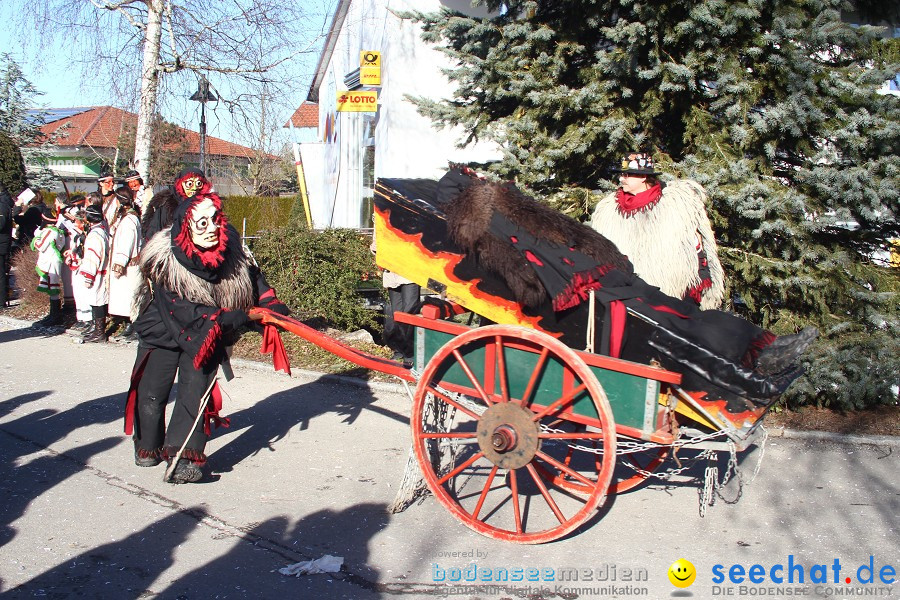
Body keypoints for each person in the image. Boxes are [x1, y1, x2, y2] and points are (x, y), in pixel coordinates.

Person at [439, 168, 816, 401]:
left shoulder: (505, 211)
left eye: (628, 174)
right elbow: (527, 268)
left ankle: (757, 345)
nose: (621, 178)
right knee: (666, 320)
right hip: (586, 288)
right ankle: (745, 369)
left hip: (604, 279)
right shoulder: (489, 224)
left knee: (676, 310)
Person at [124, 169, 290, 483]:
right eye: (203, 222)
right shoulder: (165, 263)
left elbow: (255, 281)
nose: (212, 228)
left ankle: (184, 458)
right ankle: (148, 445)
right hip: (166, 325)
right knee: (152, 393)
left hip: (206, 332)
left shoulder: (232, 250)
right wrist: (242, 316)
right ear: (185, 225)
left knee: (194, 390)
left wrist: (272, 308)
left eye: (216, 220)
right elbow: (188, 313)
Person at [590, 153, 725, 309]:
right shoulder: (608, 211)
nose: (621, 179)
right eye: (622, 174)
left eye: (627, 175)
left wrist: (702, 284)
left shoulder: (677, 203)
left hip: (674, 294)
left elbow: (699, 247)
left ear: (642, 177)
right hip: (626, 297)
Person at [108, 192, 142, 340]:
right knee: (126, 297)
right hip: (128, 265)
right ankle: (129, 324)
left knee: (130, 297)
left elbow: (126, 243)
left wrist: (120, 264)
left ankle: (135, 327)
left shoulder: (130, 221)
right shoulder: (127, 219)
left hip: (129, 266)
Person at [78, 204, 111, 343]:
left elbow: (92, 257)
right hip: (102, 271)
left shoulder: (94, 236)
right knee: (99, 301)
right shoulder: (103, 231)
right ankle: (98, 330)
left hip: (97, 272)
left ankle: (99, 332)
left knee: (96, 301)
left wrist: (89, 276)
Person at [30, 211, 67, 326]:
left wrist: (36, 238)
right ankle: (53, 315)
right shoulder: (60, 231)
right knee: (52, 287)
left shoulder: (49, 231)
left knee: (53, 288)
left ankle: (55, 316)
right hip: (54, 260)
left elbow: (41, 246)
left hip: (50, 261)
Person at [0, 183, 13, 307]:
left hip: (1, 244)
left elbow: (1, 224)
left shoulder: (2, 205)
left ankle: (1, 301)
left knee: (0, 274)